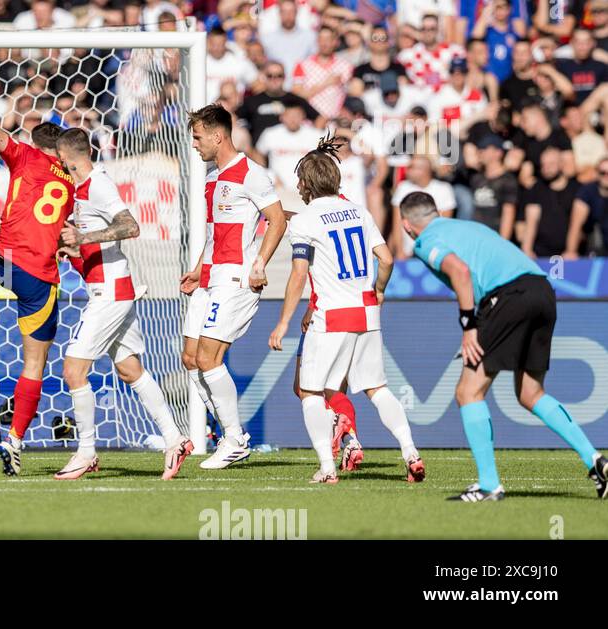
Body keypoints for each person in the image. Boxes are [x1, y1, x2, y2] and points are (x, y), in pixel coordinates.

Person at [400, 192, 608, 501]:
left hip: (507, 298)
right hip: (542, 291)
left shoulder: (425, 241)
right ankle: (596, 461)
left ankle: (489, 485)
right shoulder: (467, 226)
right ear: (438, 211)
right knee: (531, 393)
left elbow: (460, 271)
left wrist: (469, 327)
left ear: (406, 225)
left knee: (468, 392)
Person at [268, 137, 425, 484]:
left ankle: (327, 468)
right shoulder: (358, 211)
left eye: (299, 180)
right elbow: (385, 259)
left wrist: (282, 323)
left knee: (309, 392)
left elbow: (298, 274)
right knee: (378, 390)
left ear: (306, 183)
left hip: (331, 315)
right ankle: (410, 451)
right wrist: (379, 290)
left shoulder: (306, 219)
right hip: (366, 310)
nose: (297, 185)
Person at [53, 128, 193, 480]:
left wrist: (83, 236)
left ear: (68, 157)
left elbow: (130, 226)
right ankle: (175, 439)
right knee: (130, 369)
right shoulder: (83, 190)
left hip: (110, 293)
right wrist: (76, 248)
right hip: (113, 286)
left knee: (73, 369)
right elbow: (102, 238)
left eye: (59, 157)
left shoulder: (98, 185)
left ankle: (86, 452)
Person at [0, 82, 74, 476]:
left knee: (17, 236)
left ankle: (15, 438)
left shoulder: (23, 158)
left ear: (34, 141)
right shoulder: (72, 182)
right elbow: (58, 232)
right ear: (59, 150)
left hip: (3, 260)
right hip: (37, 272)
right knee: (35, 363)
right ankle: (15, 438)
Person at [179, 104, 288, 469]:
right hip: (209, 277)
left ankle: (234, 437)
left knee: (209, 358)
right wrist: (197, 269)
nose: (194, 144)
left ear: (217, 135)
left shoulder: (251, 174)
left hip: (236, 278)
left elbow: (276, 220)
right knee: (191, 359)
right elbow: (214, 234)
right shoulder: (212, 177)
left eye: (197, 137)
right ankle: (225, 432)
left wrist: (259, 263)